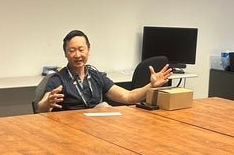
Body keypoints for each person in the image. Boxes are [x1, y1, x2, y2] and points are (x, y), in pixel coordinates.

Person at [35, 30, 173, 112]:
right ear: (65, 53)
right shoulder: (58, 79)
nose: (77, 55)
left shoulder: (96, 76)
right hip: (68, 132)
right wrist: (48, 103)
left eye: (81, 50)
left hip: (96, 130)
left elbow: (128, 97)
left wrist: (152, 86)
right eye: (72, 51)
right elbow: (40, 107)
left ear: (89, 51)